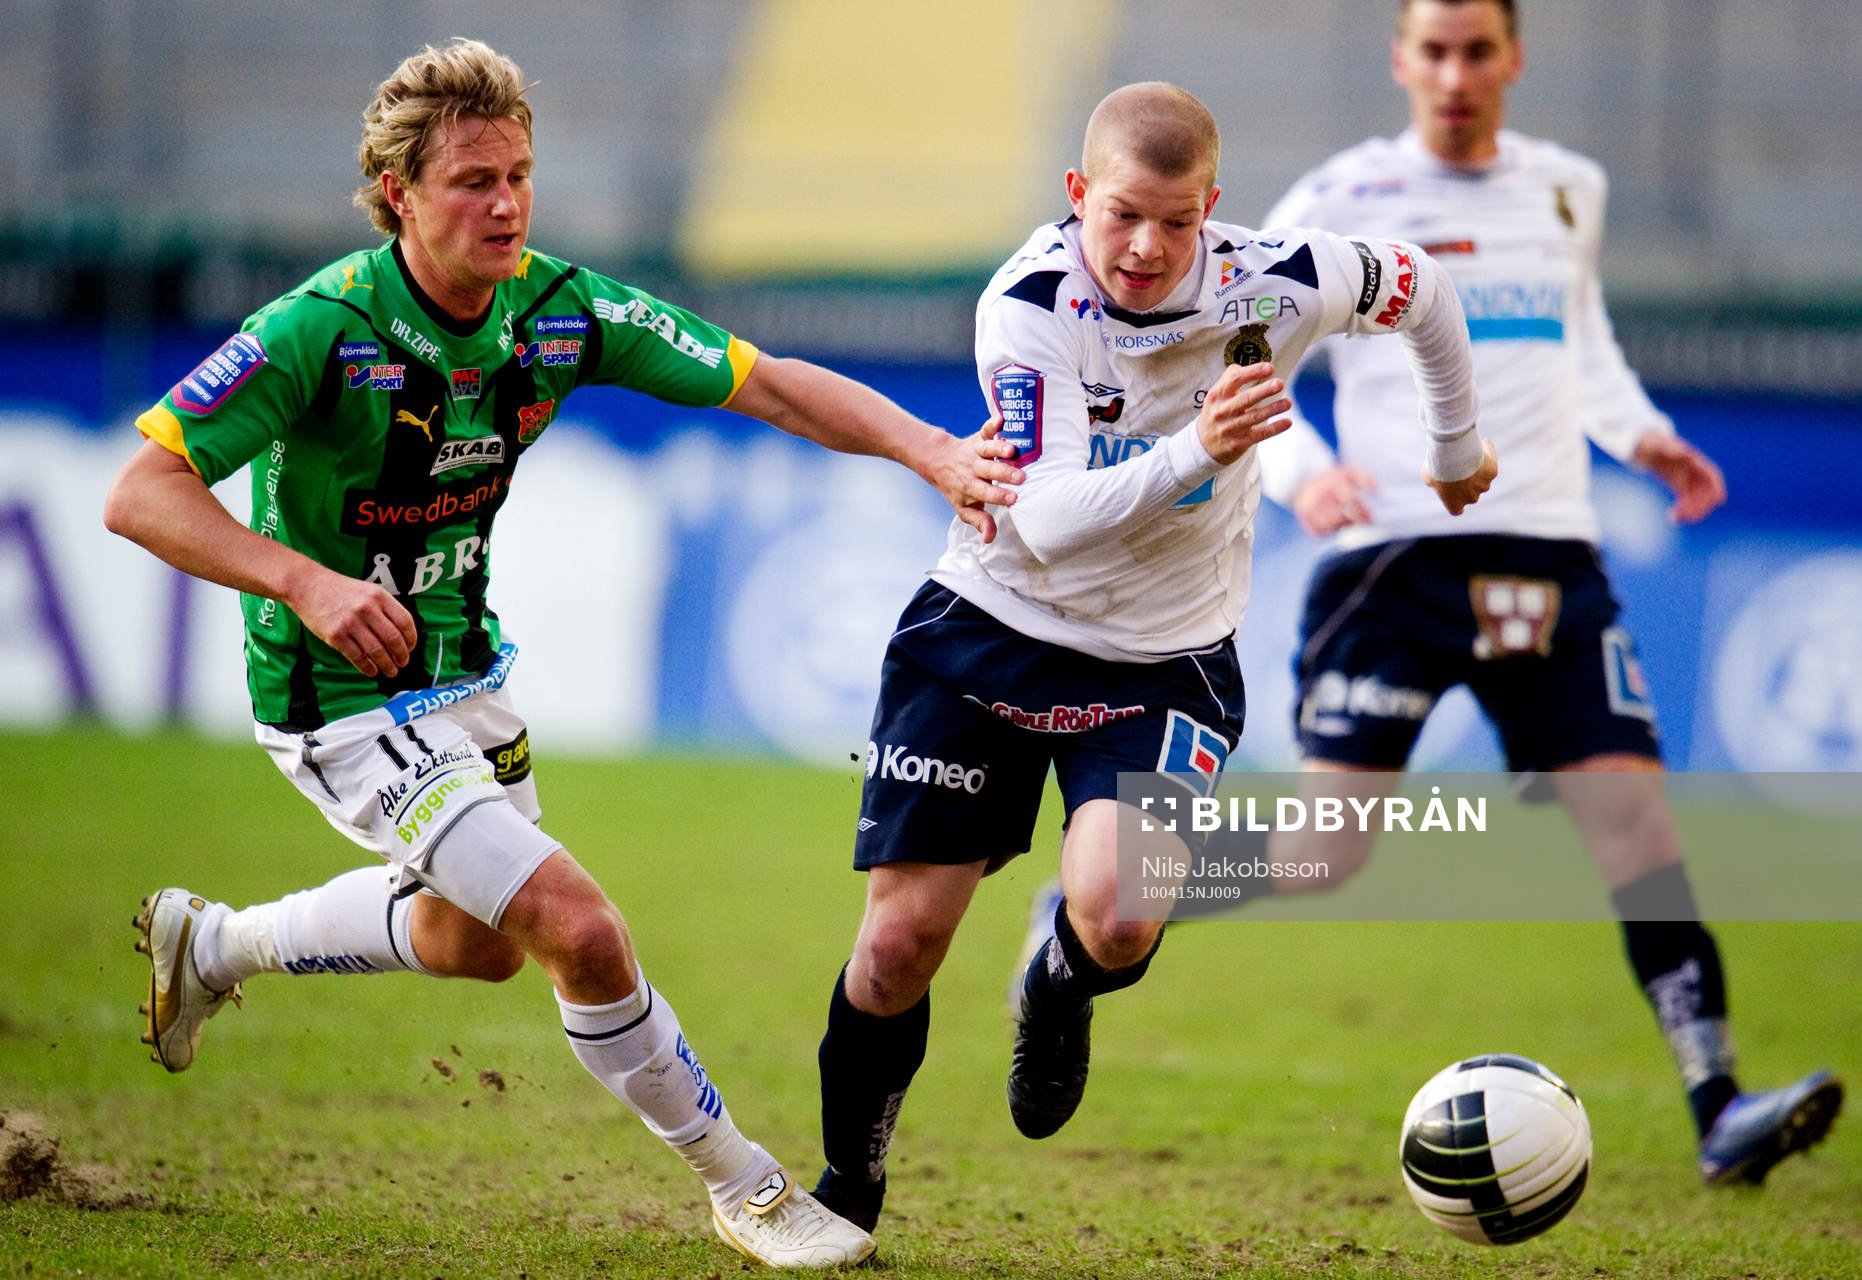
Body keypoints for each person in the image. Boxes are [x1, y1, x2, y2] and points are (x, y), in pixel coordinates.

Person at [105, 38, 1025, 1270]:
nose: (505, 206)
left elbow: (765, 385)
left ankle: (214, 943)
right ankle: (747, 1185)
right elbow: (141, 490)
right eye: (472, 182)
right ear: (398, 196)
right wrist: (305, 581)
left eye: (518, 177)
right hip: (339, 698)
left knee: (478, 942)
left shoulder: (557, 311)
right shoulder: (318, 329)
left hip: (465, 676)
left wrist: (931, 450)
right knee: (578, 929)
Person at [806, 80, 1497, 1236]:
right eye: (1120, 214)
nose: (1143, 246)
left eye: (1174, 222)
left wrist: (1455, 441)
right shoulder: (1029, 302)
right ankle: (848, 1189)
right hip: (986, 628)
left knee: (1121, 911)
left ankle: (1059, 983)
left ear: (1208, 210)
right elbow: (1043, 519)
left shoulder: (1280, 277)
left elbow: (1420, 287)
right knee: (895, 947)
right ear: (1077, 193)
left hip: (1160, 659)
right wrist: (1196, 448)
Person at [1248, 0, 1841, 1186]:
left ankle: (1718, 1104)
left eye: (1476, 50)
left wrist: (1643, 434)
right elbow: (1241, 365)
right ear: (1400, 58)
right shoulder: (1332, 201)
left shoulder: (1568, 189)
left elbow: (1582, 344)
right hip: (1394, 560)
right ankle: (1120, 886)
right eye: (1432, 50)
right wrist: (1304, 475)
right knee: (1324, 849)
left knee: (1636, 825)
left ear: (1512, 57)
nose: (1453, 74)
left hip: (1549, 559)